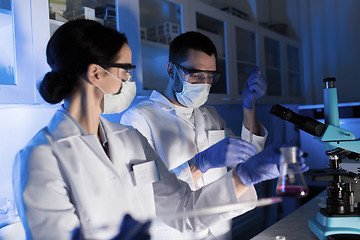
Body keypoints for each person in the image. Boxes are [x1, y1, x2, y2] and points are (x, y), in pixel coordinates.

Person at [12, 20, 283, 240]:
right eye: (125, 70)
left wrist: (244, 176)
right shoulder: (41, 157)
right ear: (96, 74)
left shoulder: (130, 141)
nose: (130, 79)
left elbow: (183, 208)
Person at [119, 31, 268, 239]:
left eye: (210, 77)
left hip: (219, 231)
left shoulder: (211, 116)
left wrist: (248, 106)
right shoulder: (138, 119)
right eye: (196, 75)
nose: (204, 83)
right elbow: (144, 195)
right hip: (174, 233)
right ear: (172, 70)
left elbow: (247, 156)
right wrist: (200, 163)